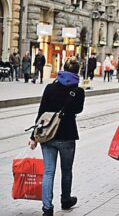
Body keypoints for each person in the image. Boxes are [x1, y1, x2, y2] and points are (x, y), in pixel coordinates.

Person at [28, 56, 85, 216]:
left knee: (48, 172)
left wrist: (33, 136)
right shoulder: (78, 91)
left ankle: (47, 208)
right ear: (77, 72)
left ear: (63, 69)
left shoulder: (49, 88)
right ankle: (66, 200)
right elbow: (78, 110)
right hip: (67, 135)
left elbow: (41, 113)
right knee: (66, 171)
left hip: (47, 136)